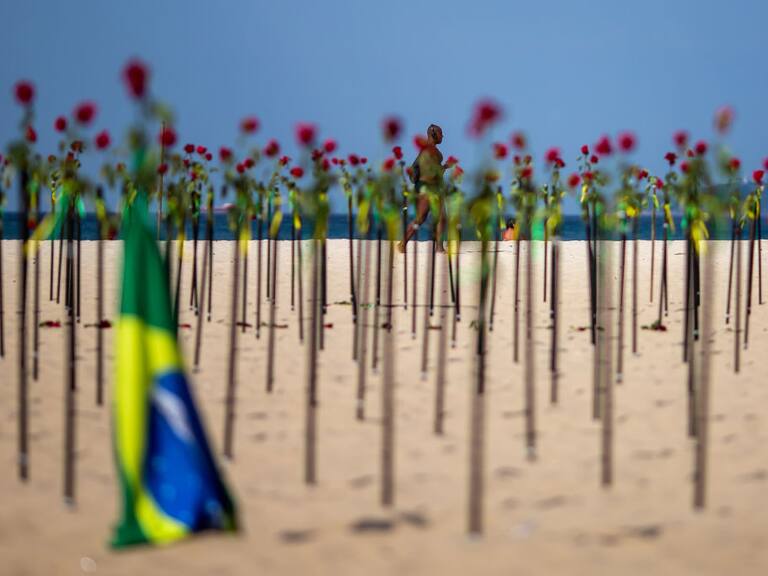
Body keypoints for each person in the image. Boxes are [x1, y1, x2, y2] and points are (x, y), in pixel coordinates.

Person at [398, 124, 450, 252]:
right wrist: (445, 167)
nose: (442, 136)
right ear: (433, 134)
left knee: (435, 217)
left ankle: (438, 247)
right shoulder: (430, 151)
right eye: (440, 133)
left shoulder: (428, 150)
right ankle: (403, 243)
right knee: (426, 218)